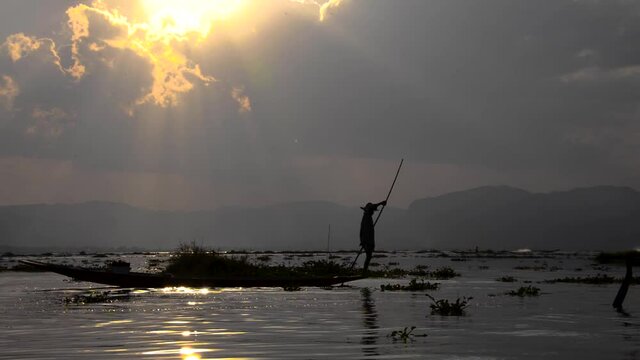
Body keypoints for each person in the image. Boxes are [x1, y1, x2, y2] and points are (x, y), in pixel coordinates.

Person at [359, 200, 387, 273]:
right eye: (372, 210)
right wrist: (381, 203)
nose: (373, 212)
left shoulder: (367, 217)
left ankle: (364, 271)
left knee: (369, 256)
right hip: (367, 241)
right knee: (368, 256)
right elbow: (364, 231)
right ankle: (364, 272)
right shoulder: (367, 216)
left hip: (368, 240)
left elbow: (364, 230)